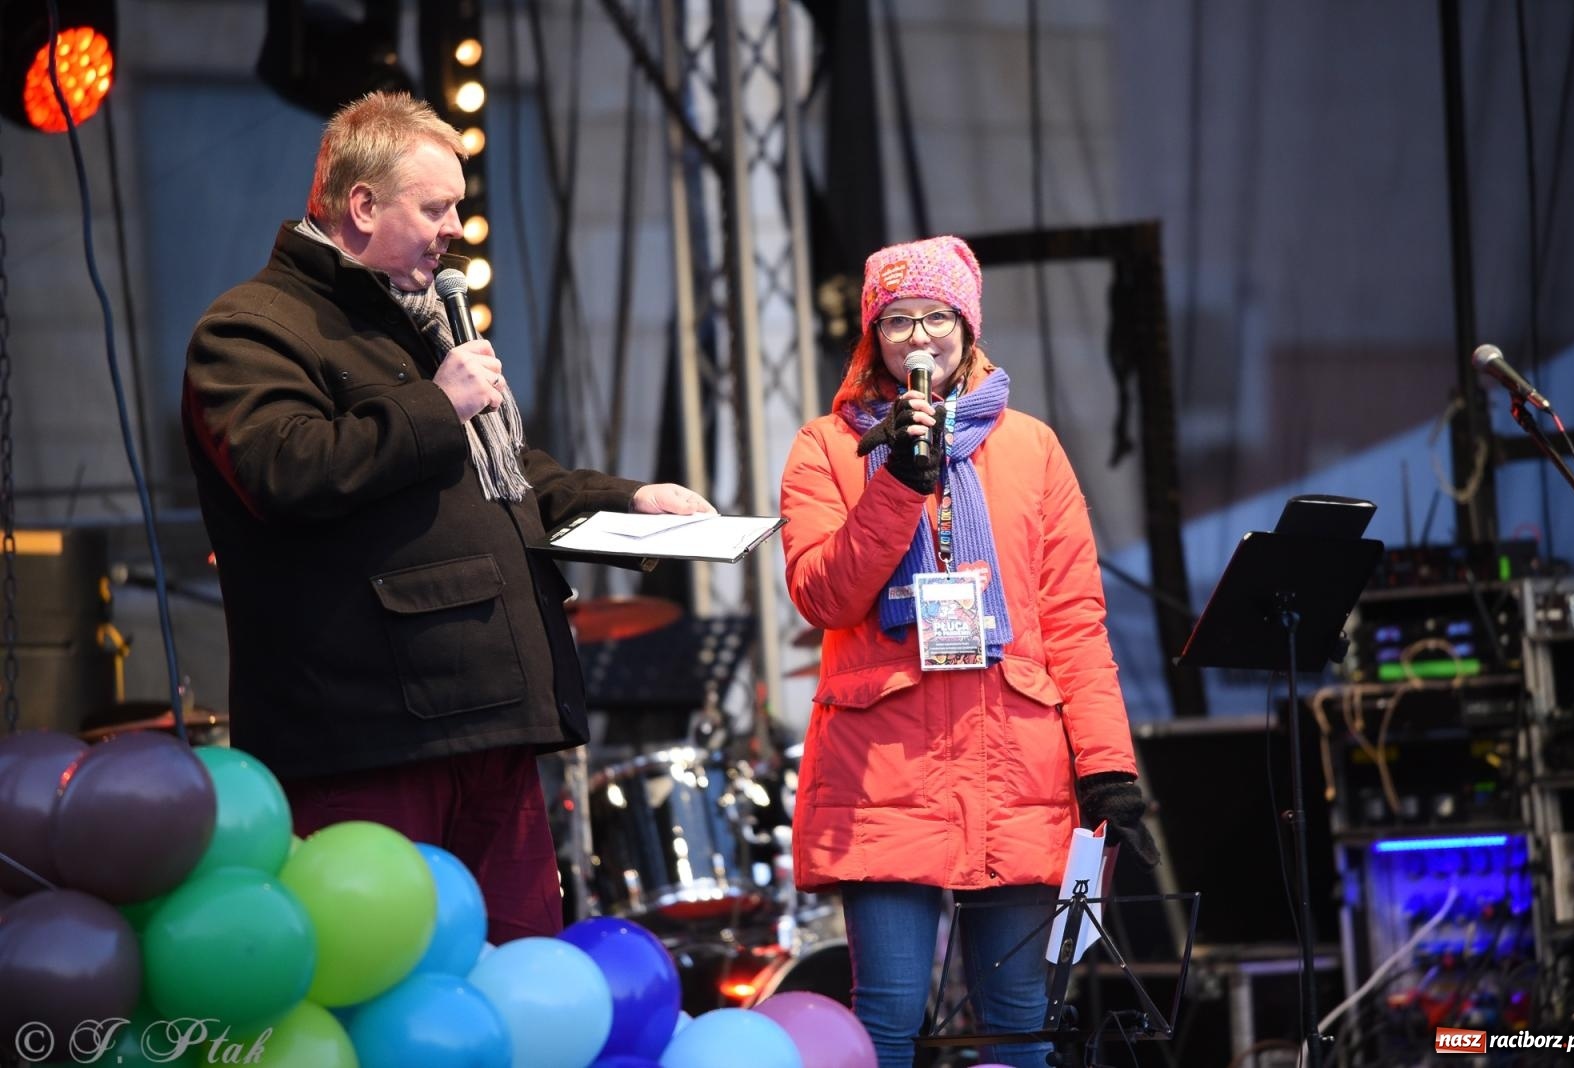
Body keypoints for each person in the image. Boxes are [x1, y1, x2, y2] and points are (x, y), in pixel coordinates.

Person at [182, 92, 712, 944]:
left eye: (457, 206)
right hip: (368, 740)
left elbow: (504, 481)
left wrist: (628, 503)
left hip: (492, 723)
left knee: (518, 970)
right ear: (361, 205)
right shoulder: (251, 328)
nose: (457, 227)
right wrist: (436, 405)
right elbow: (284, 467)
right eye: (436, 208)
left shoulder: (423, 323)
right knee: (385, 979)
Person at [778, 235, 1159, 1068]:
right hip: (884, 768)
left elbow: (1074, 620)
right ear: (873, 337)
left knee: (1019, 1023)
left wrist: (1107, 765)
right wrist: (897, 484)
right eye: (899, 321)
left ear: (968, 325)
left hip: (1013, 763)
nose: (920, 338)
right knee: (885, 1017)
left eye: (937, 318)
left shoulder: (1032, 447)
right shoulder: (828, 448)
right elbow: (823, 595)